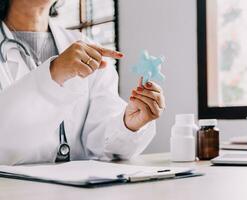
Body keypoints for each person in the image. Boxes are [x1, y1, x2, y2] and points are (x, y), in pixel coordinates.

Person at [0, 0, 165, 165]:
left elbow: (101, 142)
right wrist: (53, 73)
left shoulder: (85, 47)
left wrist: (128, 125)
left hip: (77, 189)